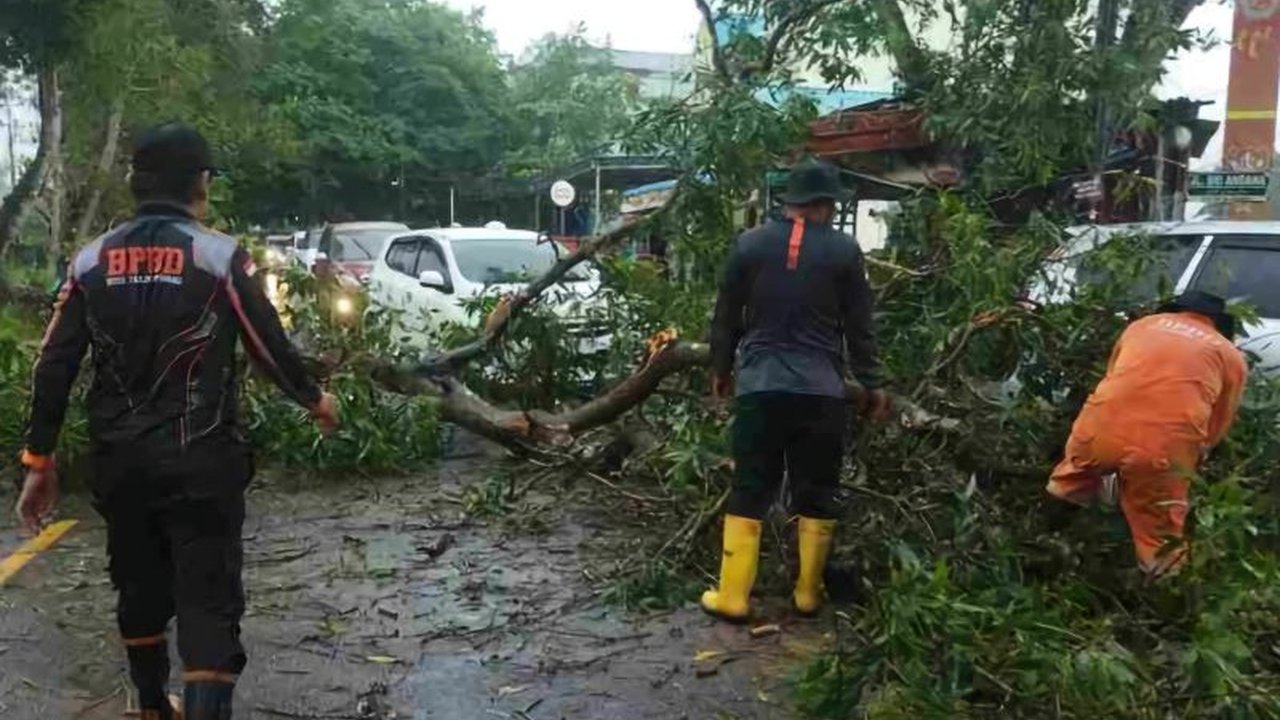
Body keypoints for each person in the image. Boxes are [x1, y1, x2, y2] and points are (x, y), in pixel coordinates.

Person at [14, 123, 340, 719]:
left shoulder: (90, 261)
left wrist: (40, 460)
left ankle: (150, 707)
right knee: (208, 602)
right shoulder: (218, 256)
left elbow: (54, 364)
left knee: (137, 586)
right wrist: (313, 398)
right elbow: (266, 343)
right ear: (202, 184)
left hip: (121, 463)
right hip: (201, 462)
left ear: (136, 184)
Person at [703, 160, 888, 622]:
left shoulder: (749, 245)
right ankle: (807, 594)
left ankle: (733, 597)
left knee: (751, 486)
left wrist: (720, 369)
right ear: (826, 206)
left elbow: (726, 316)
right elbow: (860, 326)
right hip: (821, 392)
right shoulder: (845, 251)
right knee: (817, 489)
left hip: (760, 386)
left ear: (789, 203)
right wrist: (871, 384)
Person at [1047, 290, 1247, 577]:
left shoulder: (1140, 326)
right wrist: (1194, 459)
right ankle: (1162, 598)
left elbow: (1114, 375)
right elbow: (1217, 426)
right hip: (1160, 450)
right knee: (1161, 541)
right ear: (1217, 323)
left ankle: (1046, 543)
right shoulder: (1230, 356)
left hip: (1095, 432)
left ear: (1174, 309)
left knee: (1069, 484)